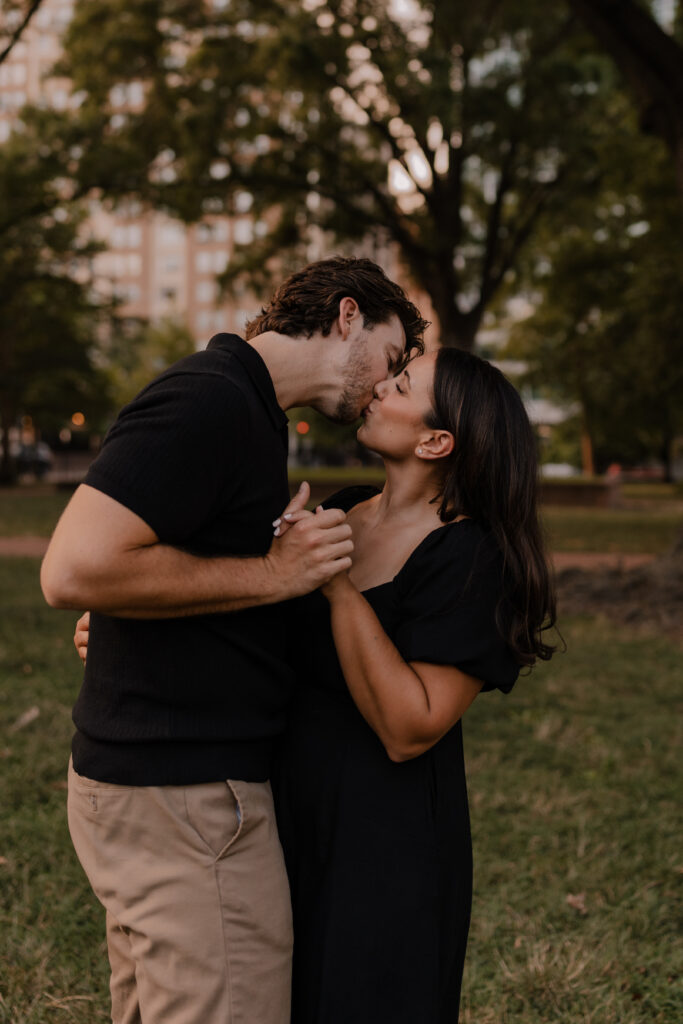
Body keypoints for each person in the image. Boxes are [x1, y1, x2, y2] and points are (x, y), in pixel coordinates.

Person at [75, 346, 557, 1023]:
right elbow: (263, 635)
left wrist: (334, 586)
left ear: (435, 439)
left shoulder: (473, 557)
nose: (376, 390)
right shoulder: (346, 509)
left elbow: (409, 728)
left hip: (382, 846)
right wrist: (138, 636)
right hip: (274, 812)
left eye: (398, 385)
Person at [41, 255, 429, 1024]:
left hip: (163, 786)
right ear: (346, 316)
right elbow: (72, 570)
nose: (384, 385)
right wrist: (275, 574)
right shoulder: (211, 400)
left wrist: (129, 623)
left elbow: (150, 560)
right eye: (391, 358)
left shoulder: (251, 413)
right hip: (185, 797)